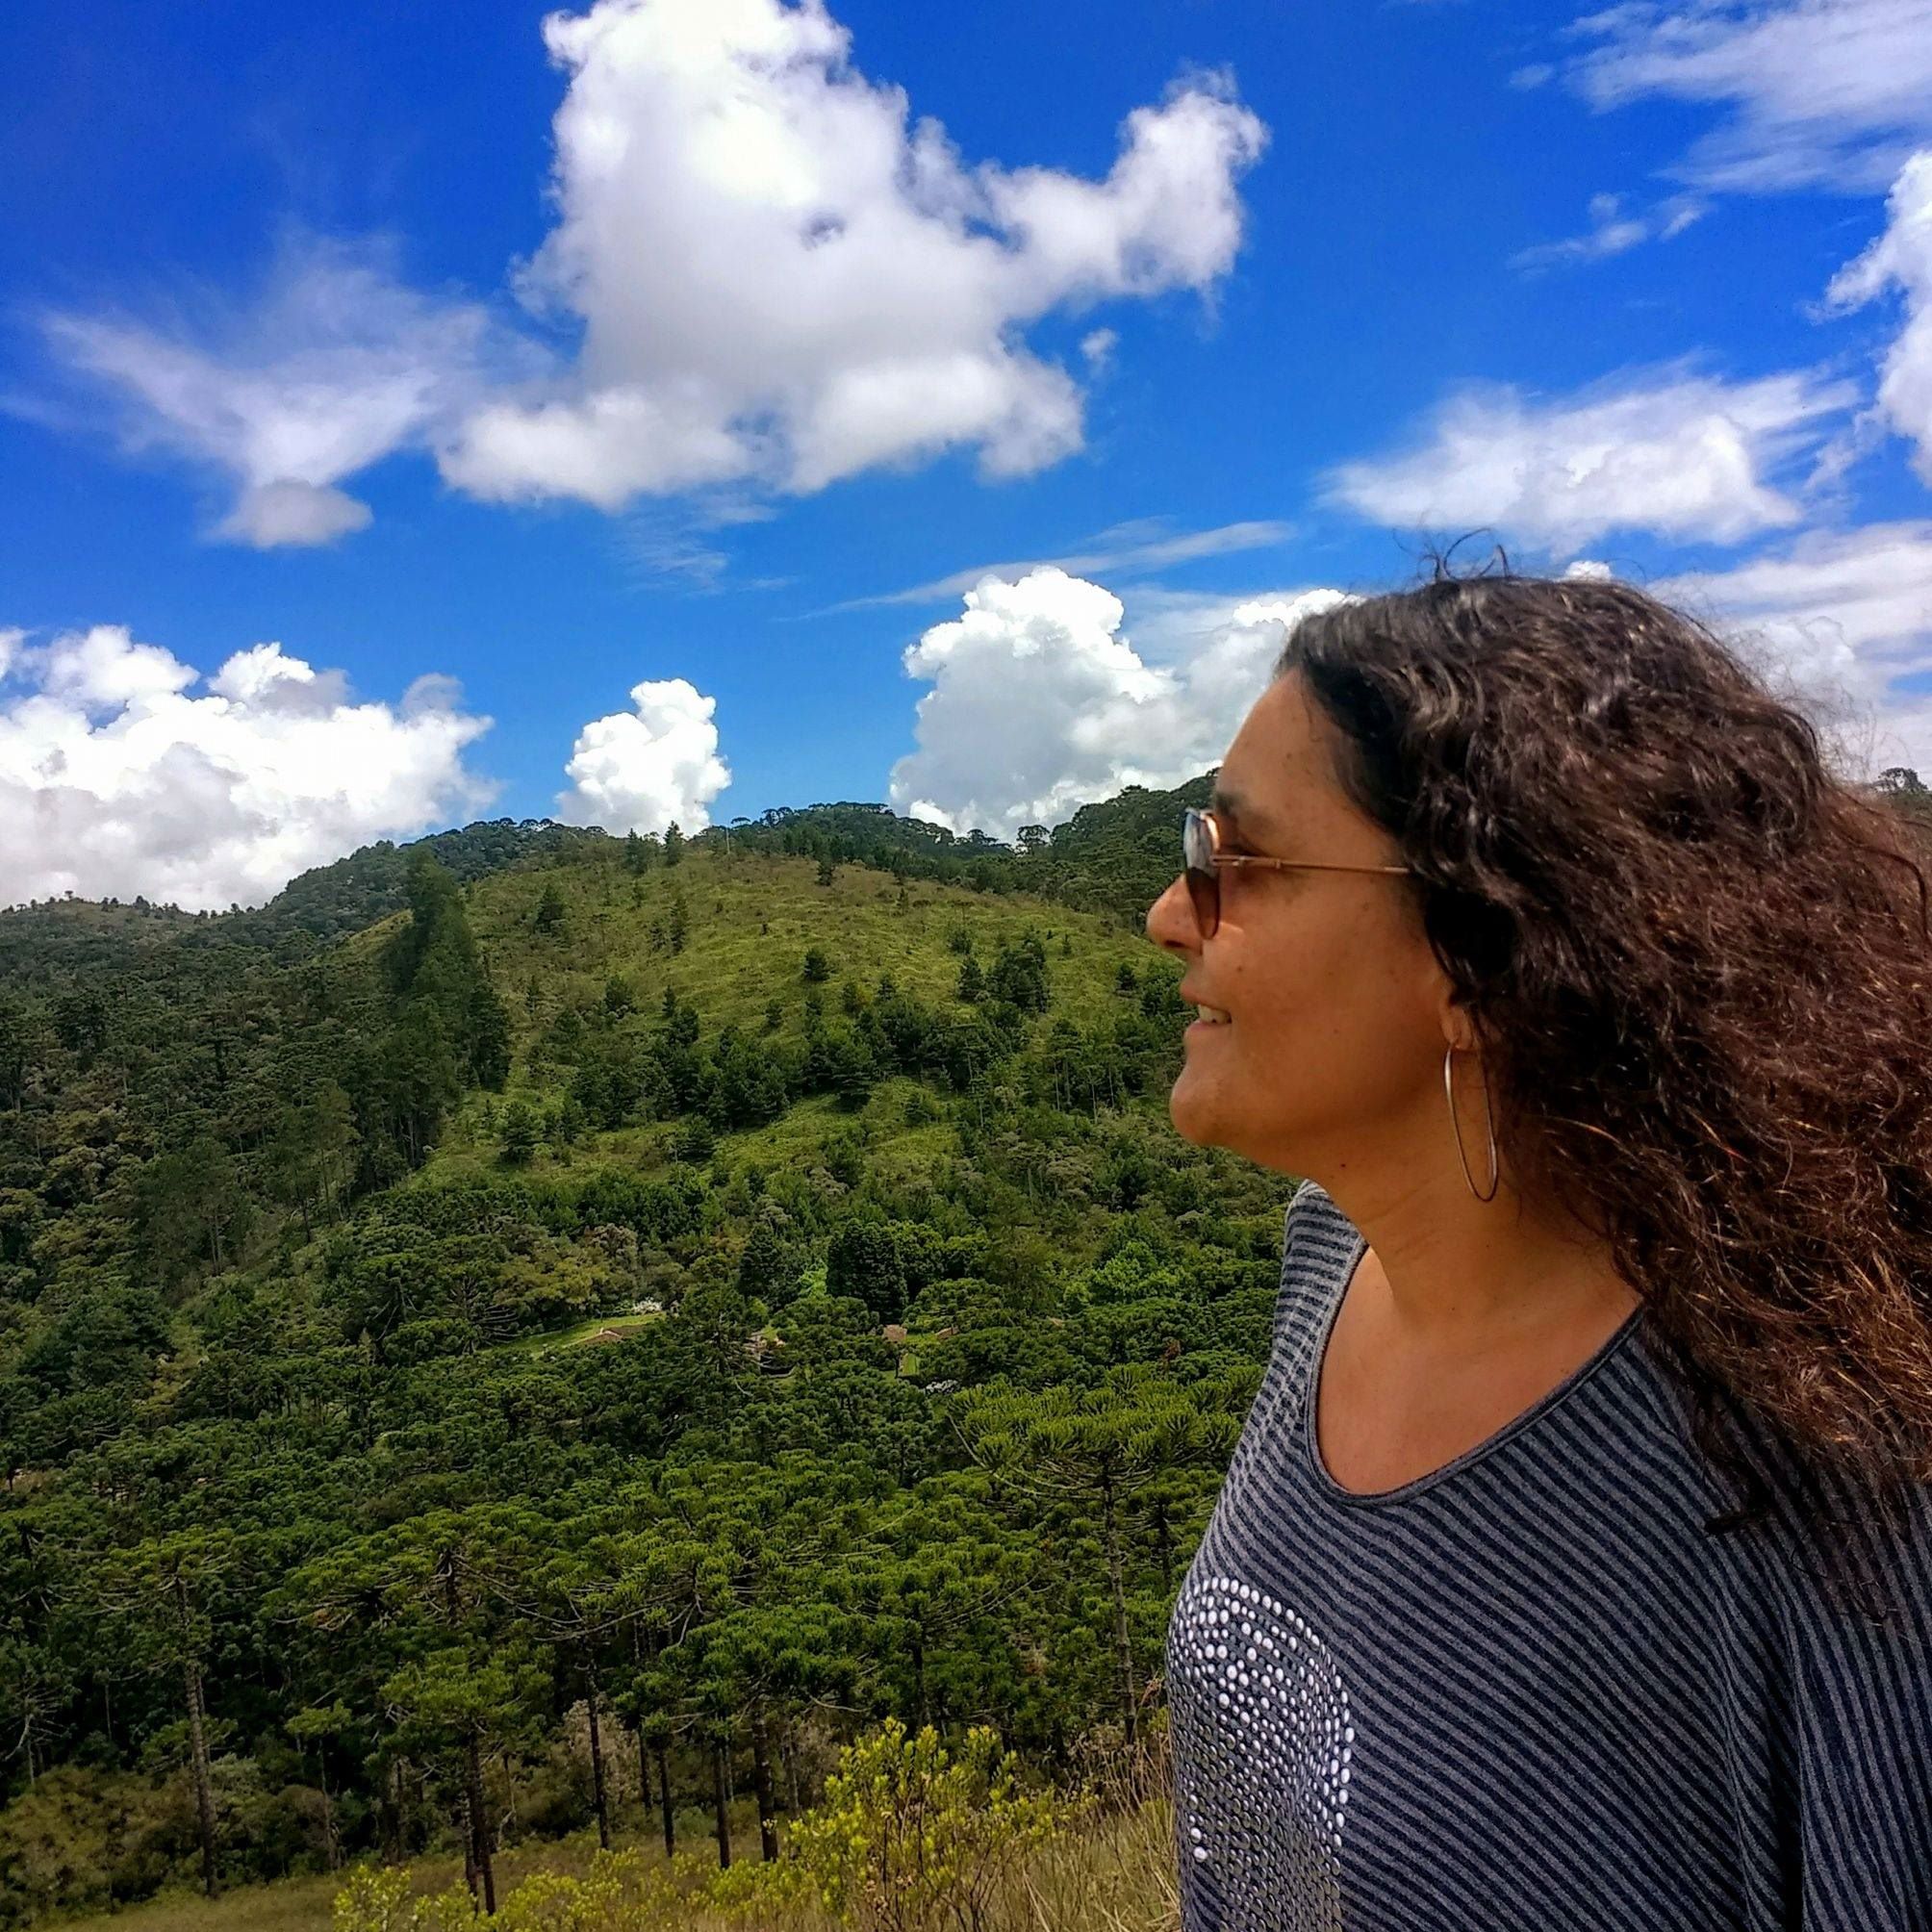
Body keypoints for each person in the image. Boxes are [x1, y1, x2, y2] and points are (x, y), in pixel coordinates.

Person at [1143, 565, 1932, 1932]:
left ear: (1484, 955)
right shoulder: (1331, 1258)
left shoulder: (1816, 1467)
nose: (1170, 911)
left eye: (1235, 861)